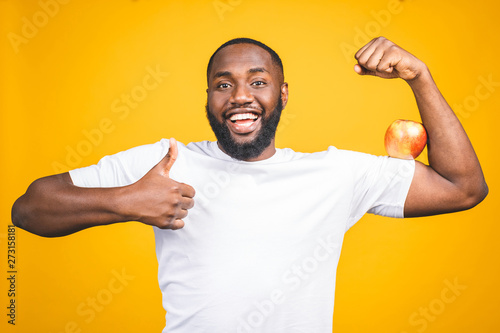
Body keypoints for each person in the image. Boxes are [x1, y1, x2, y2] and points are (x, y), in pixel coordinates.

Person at [12, 37, 488, 332]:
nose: (240, 96)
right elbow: (28, 210)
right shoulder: (167, 161)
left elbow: (462, 188)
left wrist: (419, 78)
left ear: (281, 94)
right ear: (208, 98)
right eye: (223, 84)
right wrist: (127, 200)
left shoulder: (337, 173)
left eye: (258, 82)